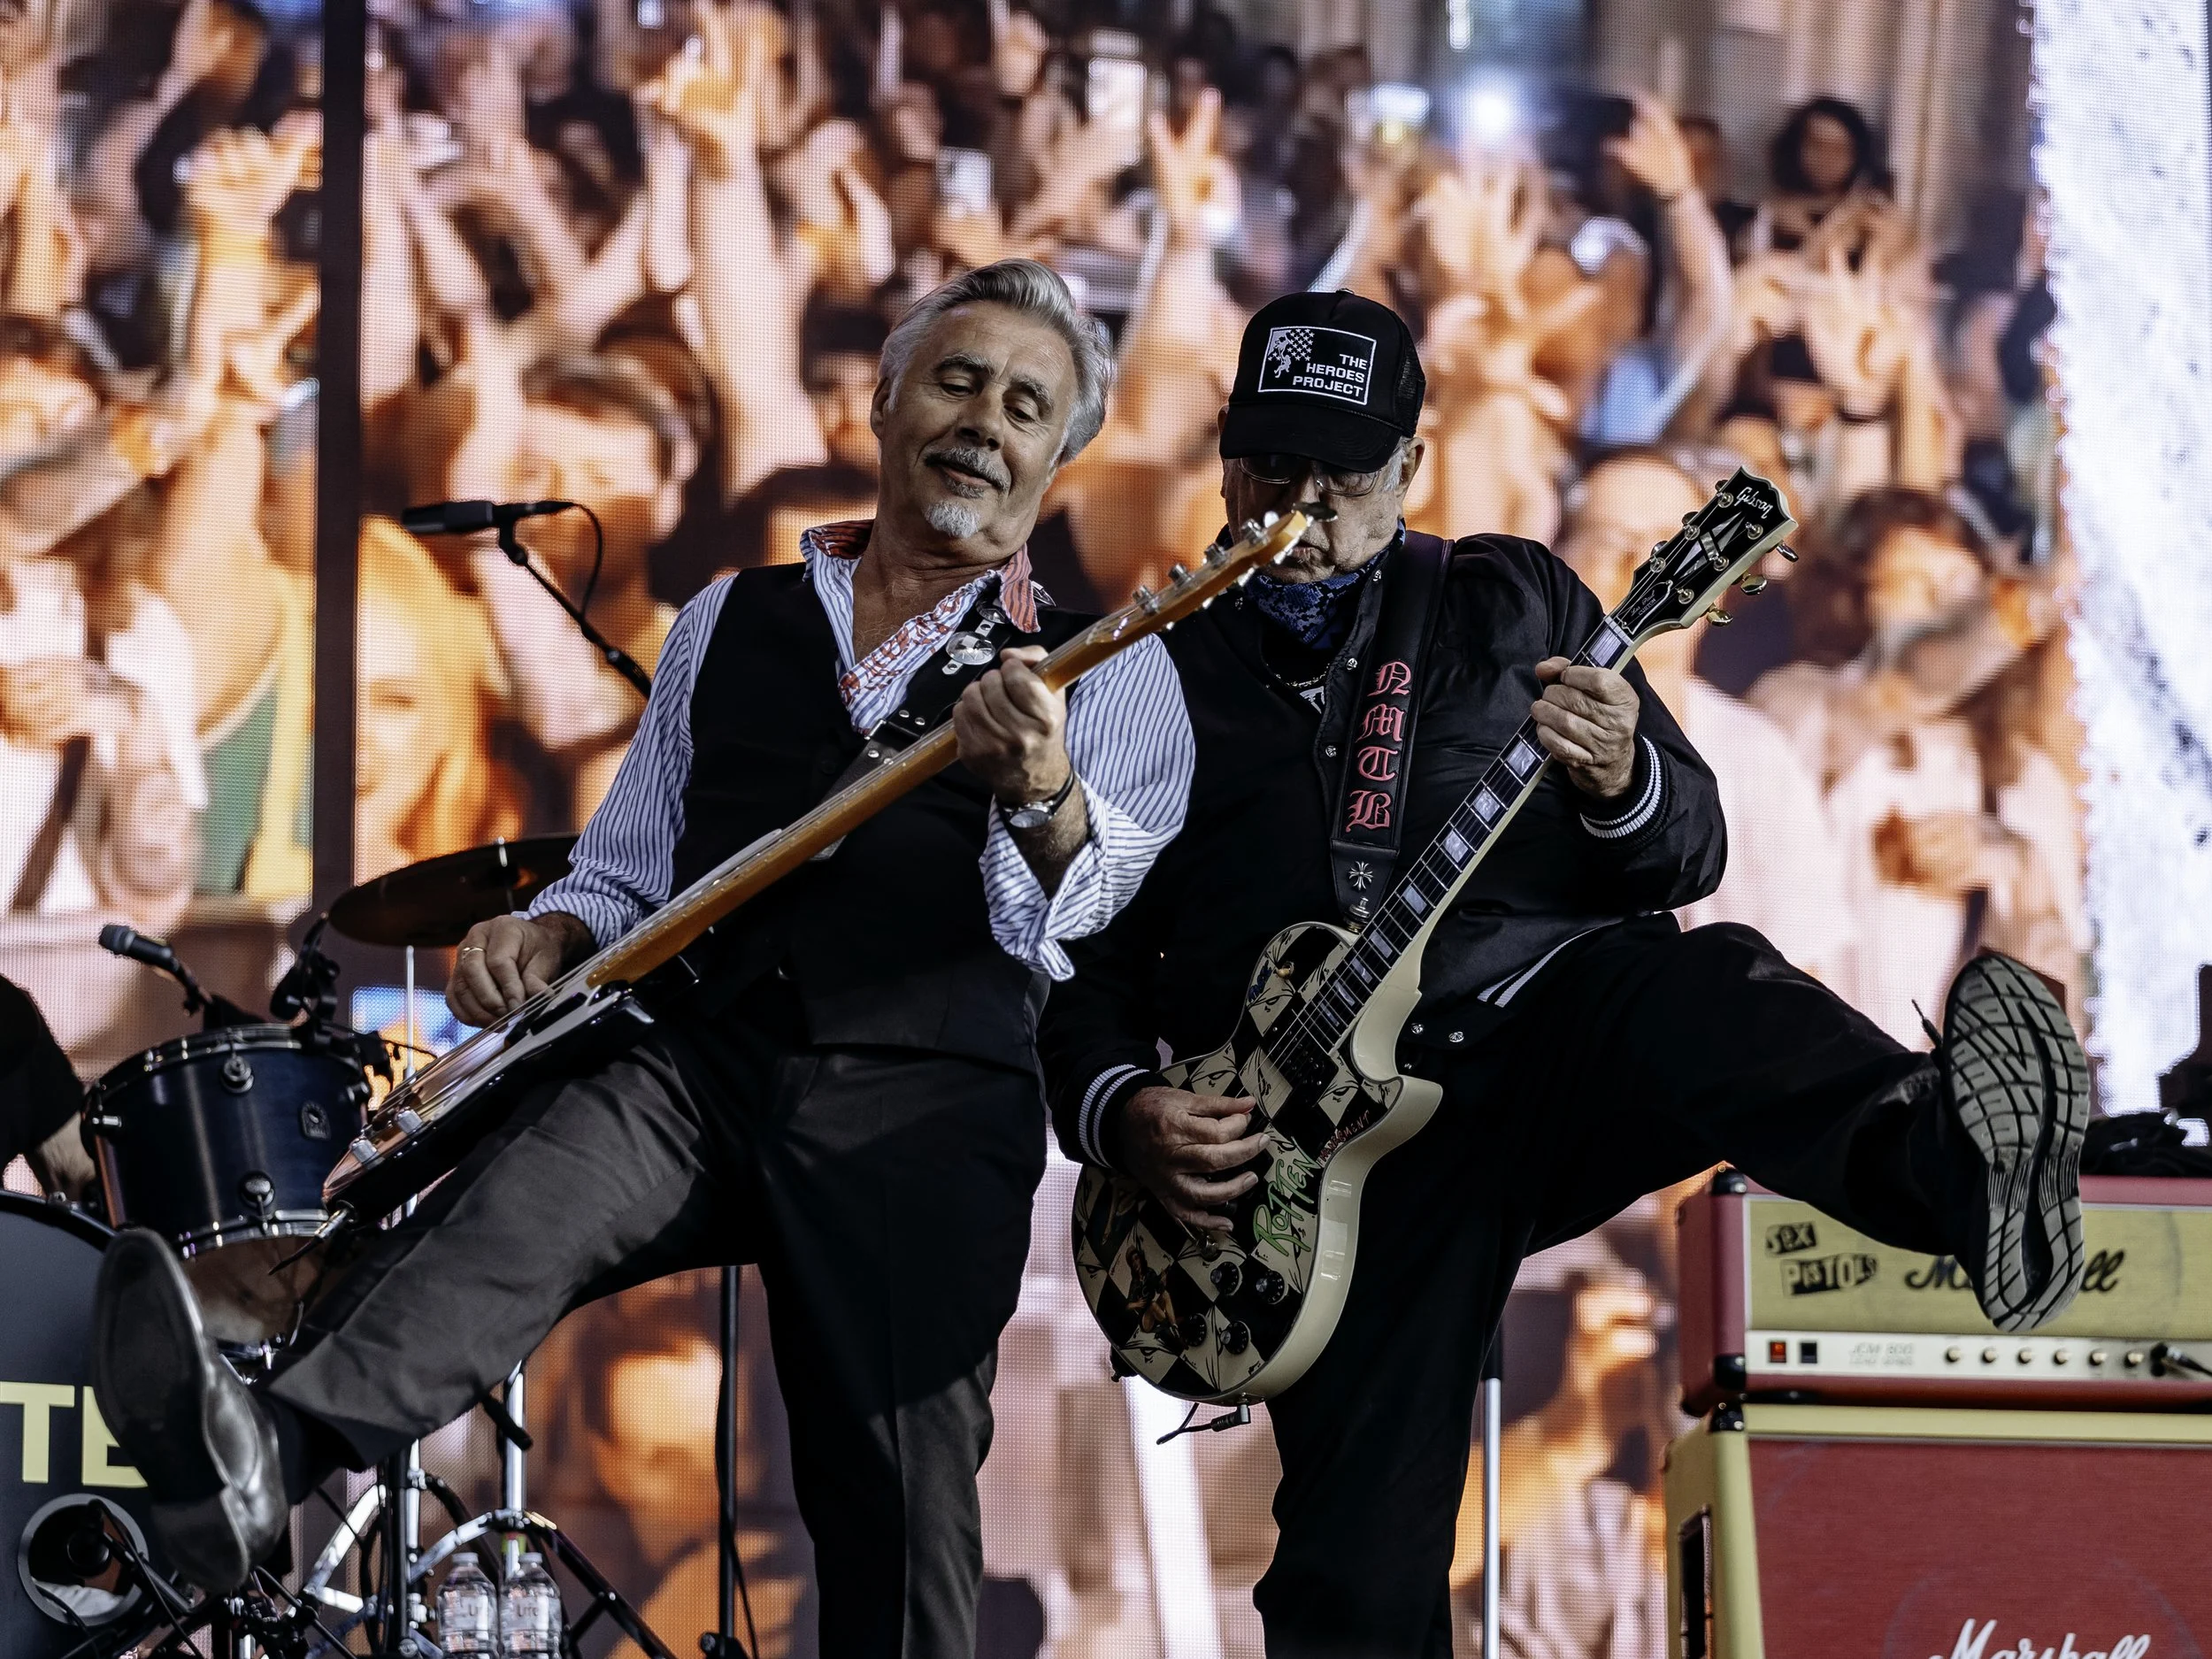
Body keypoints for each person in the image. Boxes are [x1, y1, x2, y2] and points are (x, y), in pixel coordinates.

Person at [89, 260, 1195, 1659]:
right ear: (887, 396)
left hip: (916, 1103)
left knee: (896, 1502)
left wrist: (1039, 789)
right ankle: (262, 1446)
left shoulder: (1106, 663)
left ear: (1063, 451)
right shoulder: (732, 618)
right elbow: (624, 871)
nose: (987, 419)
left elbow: (1087, 910)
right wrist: (546, 927)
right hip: (702, 1058)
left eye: (1028, 404)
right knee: (513, 1198)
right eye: (961, 379)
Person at [1035, 288, 2090, 1656]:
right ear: (1226, 456)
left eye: (1342, 469)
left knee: (1705, 986)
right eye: (1272, 460)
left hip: (1540, 1051)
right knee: (1353, 1577)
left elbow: (1689, 842)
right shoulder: (1147, 671)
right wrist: (1126, 1108)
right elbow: (1083, 952)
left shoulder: (1505, 595)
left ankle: (1959, 1165)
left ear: (1410, 469)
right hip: (1316, 1171)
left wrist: (1621, 778)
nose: (1300, 501)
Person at [1554, 449, 1852, 987]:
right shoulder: (1503, 724)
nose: (1643, 568)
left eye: (1673, 545)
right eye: (1606, 540)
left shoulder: (1754, 751)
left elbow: (1800, 969)